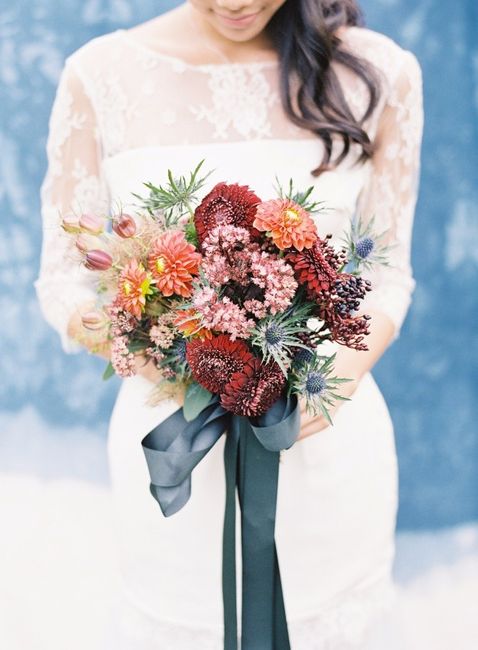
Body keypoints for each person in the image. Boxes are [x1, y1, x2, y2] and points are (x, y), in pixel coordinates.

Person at [34, 1, 424, 647]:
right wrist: (172, 350)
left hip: (324, 431)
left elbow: (387, 272)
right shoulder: (100, 72)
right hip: (174, 434)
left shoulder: (379, 71)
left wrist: (334, 379)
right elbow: (63, 280)